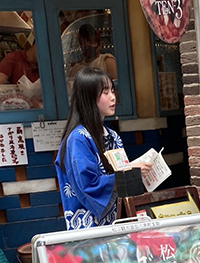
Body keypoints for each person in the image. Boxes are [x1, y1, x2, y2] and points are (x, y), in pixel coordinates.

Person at [55, 67, 152, 230]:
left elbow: (122, 178)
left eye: (113, 91)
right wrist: (130, 171)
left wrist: (137, 173)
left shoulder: (113, 136)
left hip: (117, 223)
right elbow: (89, 185)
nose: (113, 97)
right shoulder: (78, 138)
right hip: (90, 228)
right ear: (89, 97)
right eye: (105, 92)